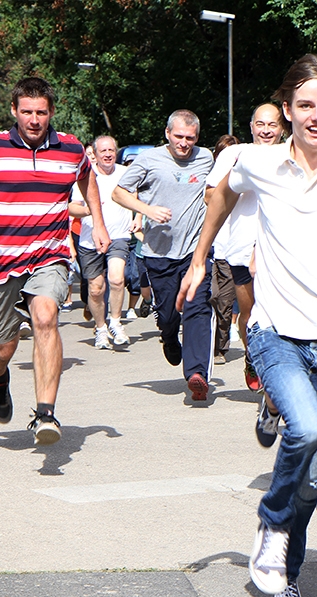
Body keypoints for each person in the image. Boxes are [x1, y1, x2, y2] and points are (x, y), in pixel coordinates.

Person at [179, 54, 317, 597]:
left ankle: (286, 579)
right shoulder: (255, 160)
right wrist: (199, 258)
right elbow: (220, 195)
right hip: (274, 330)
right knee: (309, 428)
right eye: (306, 105)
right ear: (287, 109)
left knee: (312, 477)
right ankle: (271, 521)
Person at [0, 77, 108, 445]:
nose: (34, 120)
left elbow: (87, 179)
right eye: (27, 112)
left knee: (46, 317)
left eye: (41, 112)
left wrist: (98, 223)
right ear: (14, 111)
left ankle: (45, 414)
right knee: (4, 347)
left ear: (51, 112)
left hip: (49, 253)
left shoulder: (70, 148)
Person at [112, 110, 215, 401]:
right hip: (159, 252)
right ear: (167, 133)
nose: (184, 143)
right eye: (179, 136)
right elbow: (119, 193)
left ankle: (196, 373)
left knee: (198, 308)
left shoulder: (206, 158)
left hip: (195, 251)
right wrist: (147, 210)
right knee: (169, 314)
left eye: (190, 138)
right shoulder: (149, 160)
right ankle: (168, 336)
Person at [205, 105, 286, 389]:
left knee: (278, 313)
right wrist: (241, 183)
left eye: (272, 125)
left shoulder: (292, 153)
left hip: (281, 249)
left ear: (282, 128)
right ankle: (252, 355)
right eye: (260, 124)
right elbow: (209, 195)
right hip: (241, 248)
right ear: (251, 127)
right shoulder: (235, 154)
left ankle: (277, 371)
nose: (266, 130)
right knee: (250, 314)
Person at [69, 135, 137, 349]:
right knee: (96, 289)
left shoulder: (125, 173)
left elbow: (136, 197)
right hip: (90, 238)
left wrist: (138, 218)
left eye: (111, 150)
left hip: (119, 235)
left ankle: (116, 322)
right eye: (103, 151)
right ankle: (101, 328)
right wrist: (89, 210)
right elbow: (71, 207)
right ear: (95, 155)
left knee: (117, 279)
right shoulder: (85, 176)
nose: (108, 155)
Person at [209, 134, 240, 365]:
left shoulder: (243, 181)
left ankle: (220, 347)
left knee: (224, 302)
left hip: (230, 252)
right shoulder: (209, 182)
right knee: (208, 297)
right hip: (210, 250)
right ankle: (204, 342)